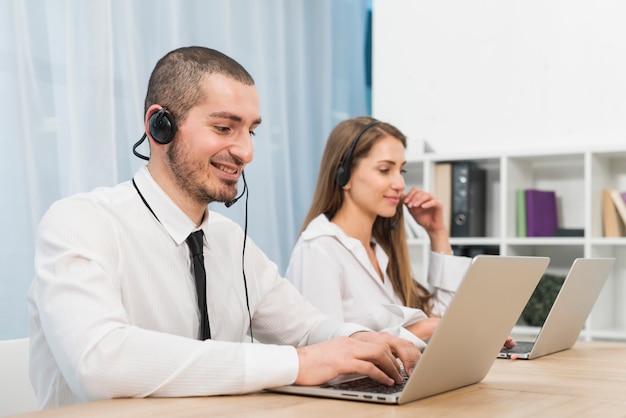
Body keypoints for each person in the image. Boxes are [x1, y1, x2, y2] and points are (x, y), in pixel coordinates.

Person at [27, 47, 420, 409]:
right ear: (159, 126)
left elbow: (305, 328)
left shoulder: (230, 241)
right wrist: (297, 363)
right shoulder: (80, 223)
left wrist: (358, 340)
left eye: (251, 130)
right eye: (224, 128)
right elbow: (100, 362)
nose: (246, 151)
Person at [286, 117, 515, 350]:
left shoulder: (381, 250)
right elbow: (324, 353)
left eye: (401, 170)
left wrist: (438, 234)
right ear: (343, 176)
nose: (400, 183)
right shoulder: (319, 249)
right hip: (350, 387)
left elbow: (441, 320)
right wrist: (420, 331)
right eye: (385, 170)